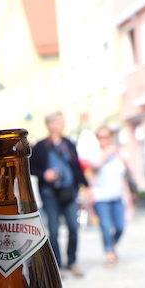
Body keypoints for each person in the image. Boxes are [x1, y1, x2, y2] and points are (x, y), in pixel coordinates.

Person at [31, 112, 89, 277]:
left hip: (69, 191)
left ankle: (72, 261)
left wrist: (84, 185)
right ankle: (58, 265)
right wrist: (45, 174)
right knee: (54, 230)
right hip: (50, 193)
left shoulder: (69, 144)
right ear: (49, 124)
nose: (61, 124)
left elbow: (76, 166)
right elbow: (31, 168)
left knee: (73, 227)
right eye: (58, 121)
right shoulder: (41, 146)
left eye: (62, 121)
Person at [87, 126, 130, 268]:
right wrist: (106, 153)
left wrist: (129, 197)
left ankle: (111, 246)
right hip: (101, 197)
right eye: (100, 137)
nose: (103, 139)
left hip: (117, 196)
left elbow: (123, 175)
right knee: (105, 226)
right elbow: (95, 166)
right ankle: (109, 253)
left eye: (106, 136)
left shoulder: (118, 154)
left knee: (120, 227)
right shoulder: (94, 152)